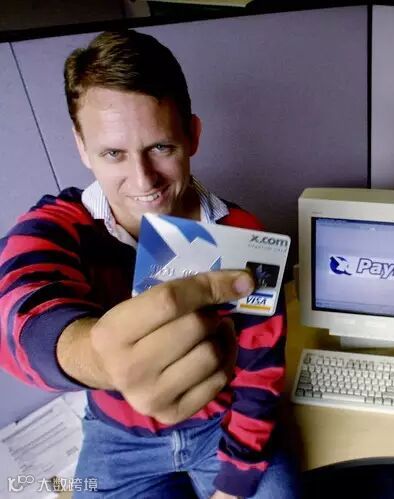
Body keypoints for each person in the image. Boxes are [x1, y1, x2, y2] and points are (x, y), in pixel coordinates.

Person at [0, 30, 296, 499]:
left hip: (221, 428)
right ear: (82, 147)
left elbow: (262, 373)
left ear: (192, 136)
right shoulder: (61, 226)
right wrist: (93, 356)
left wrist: (236, 481)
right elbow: (17, 303)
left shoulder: (243, 234)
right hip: (117, 441)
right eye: (113, 153)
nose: (143, 182)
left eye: (161, 147)